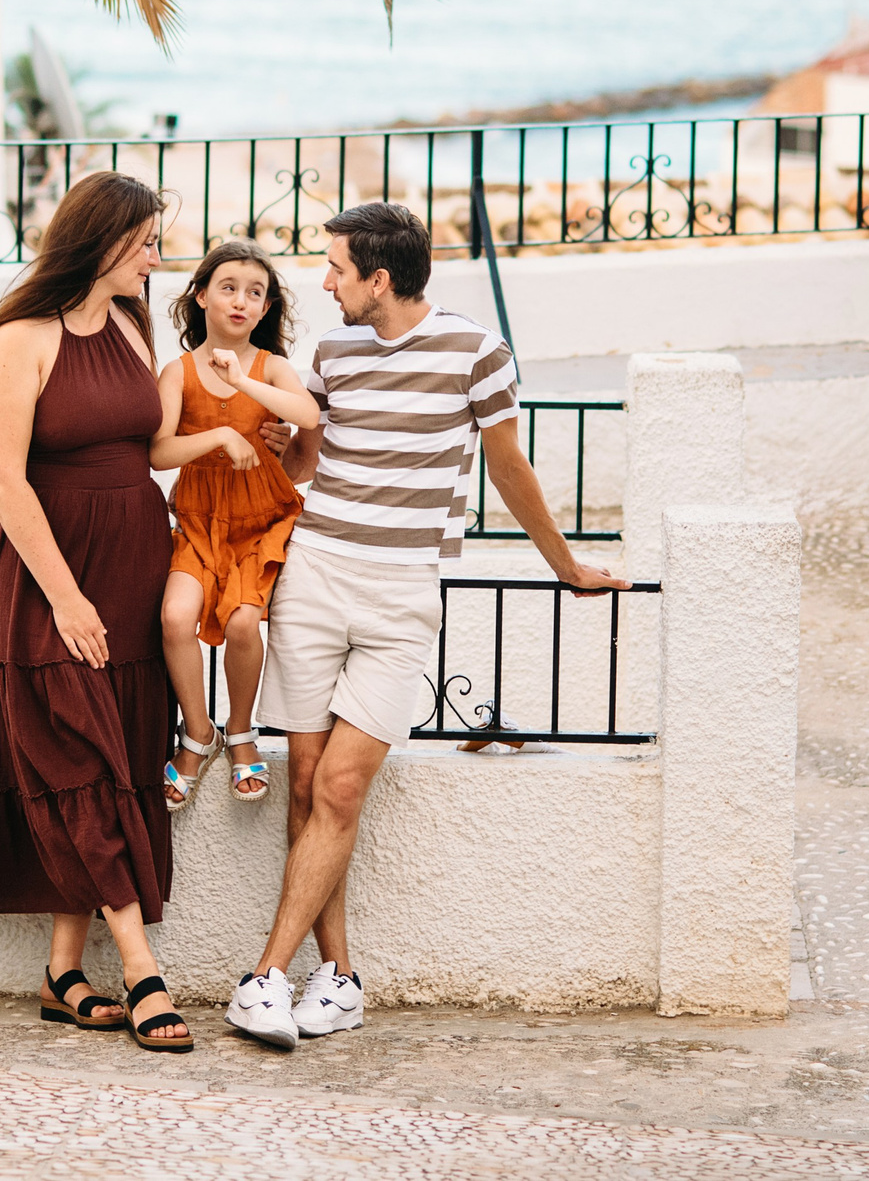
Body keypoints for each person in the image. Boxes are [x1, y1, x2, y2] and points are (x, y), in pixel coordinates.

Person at [225, 201, 631, 1049]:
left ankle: (263, 975)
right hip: (316, 572)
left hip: (403, 590)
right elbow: (310, 461)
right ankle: (334, 980)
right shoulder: (331, 350)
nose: (325, 283)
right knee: (304, 783)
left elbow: (508, 468)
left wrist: (566, 567)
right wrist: (280, 442)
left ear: (381, 278)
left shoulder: (478, 353)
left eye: (337, 269)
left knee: (340, 787)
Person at [0, 172, 193, 1052]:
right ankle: (142, 971)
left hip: (132, 564)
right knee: (76, 750)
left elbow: (148, 445)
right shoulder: (19, 338)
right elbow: (4, 477)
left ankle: (63, 971)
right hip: (44, 573)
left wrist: (228, 427)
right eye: (147, 241)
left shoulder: (132, 325)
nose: (159, 256)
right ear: (104, 243)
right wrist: (65, 595)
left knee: (110, 757)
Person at [147, 239, 319, 810]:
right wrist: (221, 435)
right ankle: (199, 734)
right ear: (200, 296)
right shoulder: (177, 371)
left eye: (255, 293)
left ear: (266, 309)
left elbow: (307, 415)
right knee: (175, 617)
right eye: (227, 288)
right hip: (198, 520)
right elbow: (159, 452)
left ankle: (241, 731)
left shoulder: (271, 368)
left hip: (257, 520)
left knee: (245, 625)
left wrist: (242, 380)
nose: (241, 301)